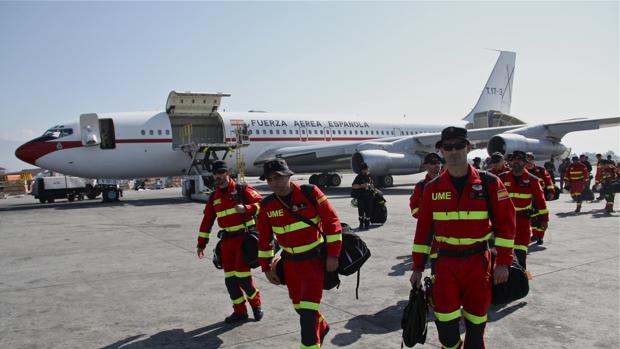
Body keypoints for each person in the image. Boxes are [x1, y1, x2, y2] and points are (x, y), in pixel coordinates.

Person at [410, 126, 516, 349]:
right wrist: (418, 267)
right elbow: (423, 232)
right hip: (445, 264)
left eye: (459, 145)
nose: (454, 151)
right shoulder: (432, 189)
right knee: (446, 329)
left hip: (478, 263)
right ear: (442, 151)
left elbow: (506, 223)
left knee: (476, 328)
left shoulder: (489, 183)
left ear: (468, 147)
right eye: (448, 147)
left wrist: (504, 262)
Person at [257, 158, 342, 349]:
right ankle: (323, 326)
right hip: (290, 265)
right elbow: (264, 239)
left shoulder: (310, 193)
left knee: (307, 315)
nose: (273, 183)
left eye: (277, 177)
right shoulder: (267, 205)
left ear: (288, 175)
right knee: (299, 307)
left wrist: (333, 254)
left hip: (314, 262)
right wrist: (266, 267)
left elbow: (332, 222)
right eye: (269, 179)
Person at [196, 160, 264, 324]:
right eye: (215, 174)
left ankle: (256, 306)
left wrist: (247, 209)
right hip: (227, 242)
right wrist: (201, 243)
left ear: (227, 173)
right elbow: (207, 221)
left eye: (220, 173)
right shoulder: (214, 197)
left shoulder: (242, 190)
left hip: (244, 239)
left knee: (242, 276)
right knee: (230, 280)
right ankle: (240, 312)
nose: (217, 177)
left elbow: (263, 205)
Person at [499, 151, 549, 265]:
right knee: (503, 258)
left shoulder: (533, 180)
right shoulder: (501, 178)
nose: (516, 162)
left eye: (520, 160)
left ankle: (522, 279)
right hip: (504, 223)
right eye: (514, 160)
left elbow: (541, 202)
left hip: (523, 223)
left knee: (520, 256)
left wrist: (544, 219)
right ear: (510, 162)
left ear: (525, 162)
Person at [408, 152, 443, 273]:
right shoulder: (421, 186)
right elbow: (414, 210)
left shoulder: (448, 182)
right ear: (425, 166)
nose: (436, 165)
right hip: (432, 237)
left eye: (438, 162)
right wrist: (427, 213)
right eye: (433, 163)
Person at [525, 152, 554, 242]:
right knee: (533, 219)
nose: (529, 161)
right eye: (527, 159)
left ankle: (540, 236)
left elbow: (548, 181)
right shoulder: (523, 171)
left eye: (530, 159)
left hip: (539, 198)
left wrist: (551, 192)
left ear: (533, 160)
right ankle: (535, 235)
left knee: (541, 218)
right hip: (528, 199)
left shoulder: (540, 170)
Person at [351, 162, 374, 230]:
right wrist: (361, 186)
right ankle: (361, 223)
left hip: (369, 196)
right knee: (361, 211)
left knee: (368, 211)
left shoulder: (369, 176)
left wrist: (370, 186)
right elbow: (353, 186)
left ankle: (367, 223)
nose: (368, 170)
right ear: (363, 170)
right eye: (367, 169)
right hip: (361, 197)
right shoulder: (358, 177)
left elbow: (372, 185)